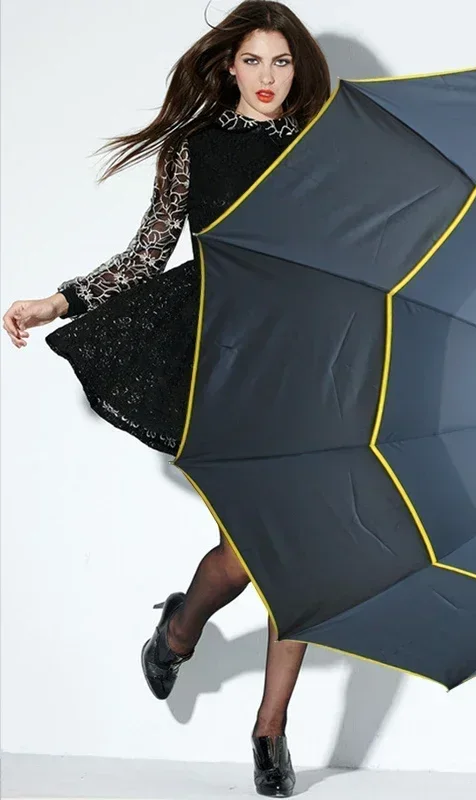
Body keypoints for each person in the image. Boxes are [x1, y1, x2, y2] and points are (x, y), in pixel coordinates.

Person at [2, 2, 332, 795]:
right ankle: (180, 629)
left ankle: (270, 731)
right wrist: (58, 301)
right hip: (224, 365)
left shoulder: (326, 148)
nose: (266, 77)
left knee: (301, 560)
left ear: (298, 68)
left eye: (281, 61)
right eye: (252, 60)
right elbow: (147, 253)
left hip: (310, 363)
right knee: (248, 559)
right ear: (229, 66)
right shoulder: (195, 148)